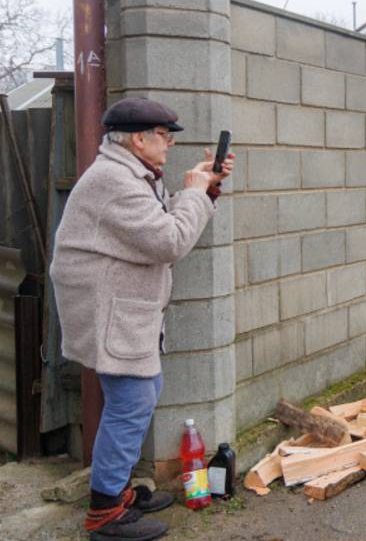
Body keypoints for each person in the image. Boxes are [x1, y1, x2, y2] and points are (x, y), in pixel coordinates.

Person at [51, 97, 235, 541]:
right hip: (109, 311)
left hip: (124, 307)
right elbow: (168, 240)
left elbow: (159, 220)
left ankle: (116, 491)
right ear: (138, 138)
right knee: (131, 404)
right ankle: (104, 513)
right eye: (164, 135)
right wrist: (193, 192)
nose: (169, 144)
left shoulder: (133, 174)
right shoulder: (114, 181)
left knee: (142, 395)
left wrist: (204, 189)